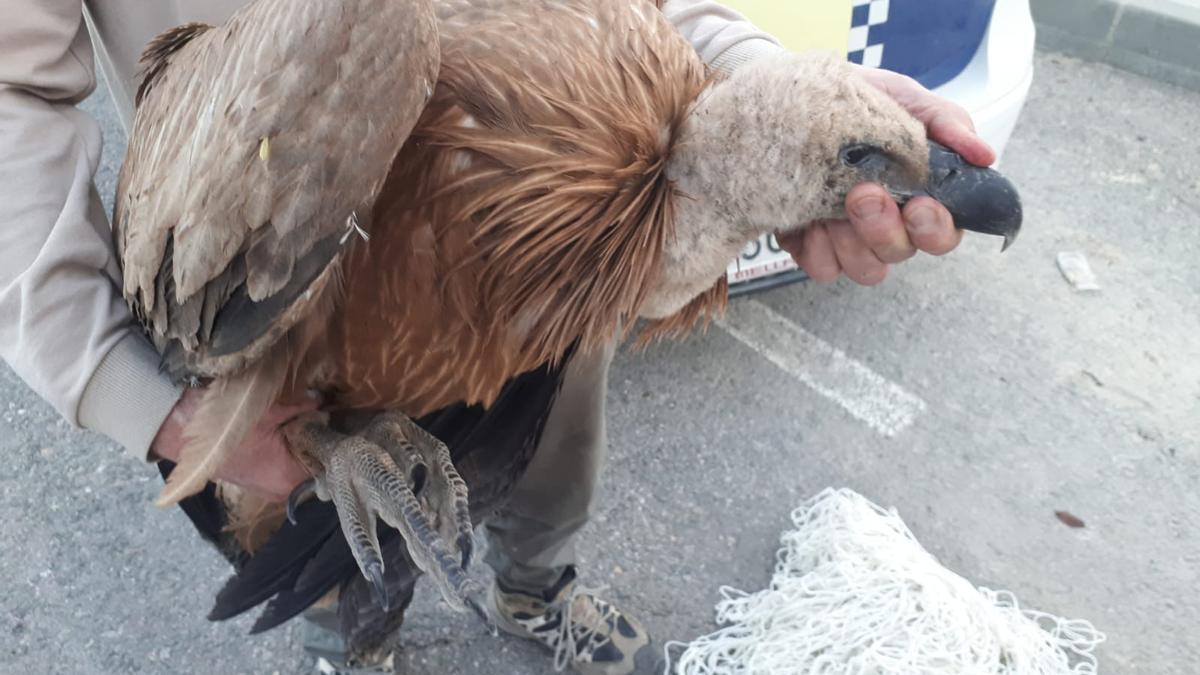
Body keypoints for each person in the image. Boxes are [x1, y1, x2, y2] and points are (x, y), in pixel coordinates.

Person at [0, 1, 992, 673]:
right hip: (269, 267)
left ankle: (536, 594)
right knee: (310, 523)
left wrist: (784, 110)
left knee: (550, 461)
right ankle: (355, 639)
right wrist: (132, 393)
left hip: (567, 229)